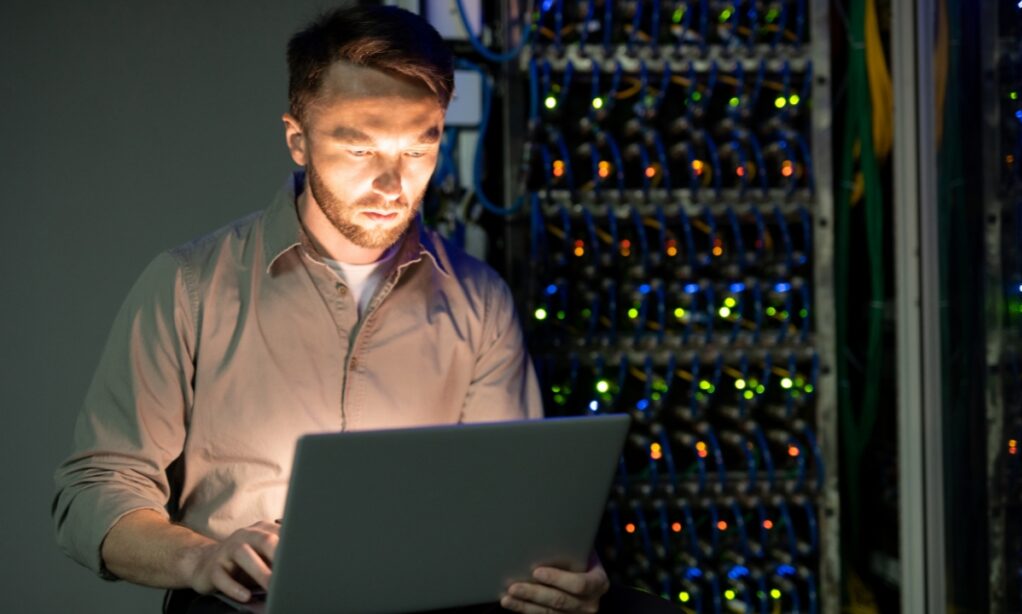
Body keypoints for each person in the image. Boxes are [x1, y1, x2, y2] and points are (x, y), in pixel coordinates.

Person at [52, 5, 610, 613]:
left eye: (417, 150)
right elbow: (95, 492)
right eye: (362, 150)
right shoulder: (188, 286)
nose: (394, 185)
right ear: (299, 140)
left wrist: (557, 566)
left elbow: (511, 501)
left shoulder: (479, 300)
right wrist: (200, 558)